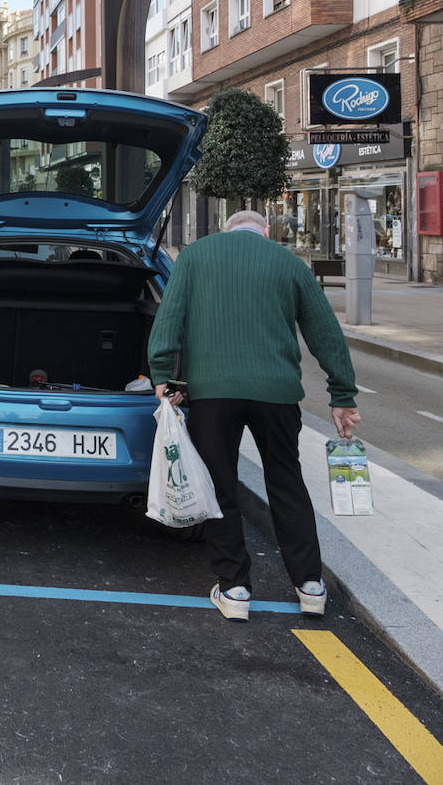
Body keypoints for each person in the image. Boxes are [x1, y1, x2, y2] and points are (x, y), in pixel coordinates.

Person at [148, 210, 361, 622]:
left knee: (220, 487)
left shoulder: (195, 256)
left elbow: (169, 318)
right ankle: (310, 586)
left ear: (226, 229)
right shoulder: (288, 262)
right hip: (277, 395)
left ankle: (235, 589)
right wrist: (343, 394)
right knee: (286, 482)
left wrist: (162, 374)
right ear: (266, 232)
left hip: (212, 394)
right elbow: (325, 332)